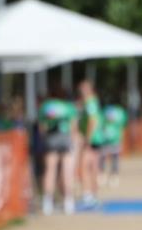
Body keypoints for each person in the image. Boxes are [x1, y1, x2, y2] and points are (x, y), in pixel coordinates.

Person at [38, 86, 78, 215]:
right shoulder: (69, 107)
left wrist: (45, 139)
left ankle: (47, 202)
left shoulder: (46, 106)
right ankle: (68, 202)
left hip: (51, 139)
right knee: (67, 171)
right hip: (65, 138)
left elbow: (42, 127)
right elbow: (73, 127)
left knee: (50, 170)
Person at [76, 79, 103, 210]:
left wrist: (87, 139)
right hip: (96, 139)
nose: (81, 92)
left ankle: (89, 196)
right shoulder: (92, 101)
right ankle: (92, 196)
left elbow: (93, 120)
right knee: (92, 167)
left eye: (84, 89)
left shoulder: (90, 102)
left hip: (92, 140)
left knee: (85, 167)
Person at [99, 102, 128, 188]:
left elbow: (122, 128)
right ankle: (102, 174)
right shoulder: (105, 116)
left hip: (115, 140)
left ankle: (114, 176)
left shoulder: (119, 116)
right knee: (103, 158)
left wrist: (121, 140)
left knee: (114, 159)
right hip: (106, 140)